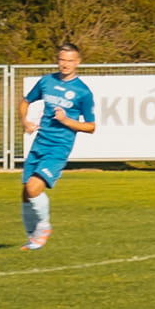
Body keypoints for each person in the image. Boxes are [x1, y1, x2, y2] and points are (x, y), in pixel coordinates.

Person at [19, 44, 97, 251]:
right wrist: (25, 122)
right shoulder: (46, 81)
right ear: (57, 60)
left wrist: (66, 121)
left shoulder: (83, 92)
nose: (65, 64)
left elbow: (91, 127)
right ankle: (31, 238)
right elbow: (25, 102)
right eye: (62, 60)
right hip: (39, 143)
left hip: (59, 147)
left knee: (33, 187)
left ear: (78, 62)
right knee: (26, 193)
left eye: (70, 60)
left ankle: (44, 227)